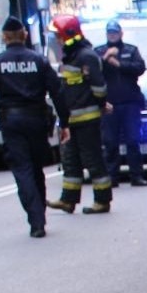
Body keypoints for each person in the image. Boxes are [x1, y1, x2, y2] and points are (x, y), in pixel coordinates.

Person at [0, 16, 72, 237]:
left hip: (11, 123)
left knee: (22, 169)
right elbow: (57, 92)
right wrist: (64, 122)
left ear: (5, 37)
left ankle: (36, 220)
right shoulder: (38, 60)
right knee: (36, 169)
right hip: (37, 121)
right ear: (25, 35)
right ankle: (40, 216)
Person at [44, 14, 112, 215]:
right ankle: (68, 199)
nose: (57, 40)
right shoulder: (71, 55)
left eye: (59, 35)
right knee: (70, 160)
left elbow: (99, 87)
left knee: (92, 159)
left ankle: (102, 200)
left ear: (69, 34)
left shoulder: (86, 56)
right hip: (71, 119)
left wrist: (100, 104)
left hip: (87, 118)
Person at [99, 19, 147, 188]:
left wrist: (119, 64)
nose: (112, 35)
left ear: (121, 33)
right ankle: (112, 177)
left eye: (115, 32)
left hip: (130, 103)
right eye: (109, 33)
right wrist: (106, 58)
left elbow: (140, 67)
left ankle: (137, 176)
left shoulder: (131, 50)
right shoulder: (99, 51)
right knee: (110, 142)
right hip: (109, 104)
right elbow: (93, 70)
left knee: (133, 140)